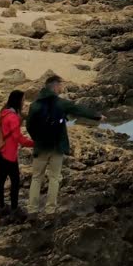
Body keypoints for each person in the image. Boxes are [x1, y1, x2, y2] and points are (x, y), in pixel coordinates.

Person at [26, 75, 104, 216]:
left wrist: (37, 139)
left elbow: (29, 126)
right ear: (55, 86)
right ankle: (50, 209)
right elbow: (78, 109)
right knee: (54, 178)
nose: (61, 88)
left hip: (41, 147)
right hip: (57, 147)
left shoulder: (34, 105)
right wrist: (97, 116)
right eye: (60, 85)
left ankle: (32, 209)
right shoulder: (61, 103)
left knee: (36, 178)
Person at [0, 90, 33, 221]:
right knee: (15, 181)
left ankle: (1, 208)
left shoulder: (3, 112)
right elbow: (19, 138)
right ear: (18, 101)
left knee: (1, 180)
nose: (24, 102)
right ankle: (14, 210)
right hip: (9, 154)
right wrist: (35, 143)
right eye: (23, 100)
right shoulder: (13, 117)